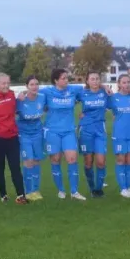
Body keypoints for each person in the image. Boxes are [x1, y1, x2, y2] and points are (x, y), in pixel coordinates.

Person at [38, 68, 86, 201]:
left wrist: (105, 87)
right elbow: (31, 93)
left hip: (69, 131)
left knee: (72, 159)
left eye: (67, 78)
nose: (66, 80)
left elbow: (90, 89)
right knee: (55, 160)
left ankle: (74, 192)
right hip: (52, 131)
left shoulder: (73, 89)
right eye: (63, 78)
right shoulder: (47, 91)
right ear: (56, 80)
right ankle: (61, 190)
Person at [0, 73, 28, 204]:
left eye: (7, 83)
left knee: (15, 167)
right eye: (3, 83)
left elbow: (14, 109)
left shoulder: (11, 95)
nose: (6, 86)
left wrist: (20, 99)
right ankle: (3, 194)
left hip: (12, 137)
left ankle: (21, 195)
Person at [79, 71, 109, 198]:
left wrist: (105, 87)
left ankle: (99, 188)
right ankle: (92, 188)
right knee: (88, 161)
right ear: (87, 81)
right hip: (86, 129)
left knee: (101, 161)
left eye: (97, 79)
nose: (95, 81)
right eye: (92, 79)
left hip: (100, 130)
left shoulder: (105, 93)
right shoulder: (81, 93)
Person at [109, 74, 130, 198]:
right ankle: (123, 189)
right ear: (119, 84)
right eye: (124, 82)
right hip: (119, 134)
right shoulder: (112, 98)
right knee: (121, 160)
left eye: (128, 82)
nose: (127, 85)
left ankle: (128, 187)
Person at [16, 75, 45, 201]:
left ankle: (36, 190)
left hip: (38, 133)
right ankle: (28, 191)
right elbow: (12, 113)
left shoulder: (43, 97)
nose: (34, 86)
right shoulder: (21, 100)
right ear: (26, 86)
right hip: (24, 134)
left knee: (37, 160)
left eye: (36, 84)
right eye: (32, 84)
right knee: (28, 161)